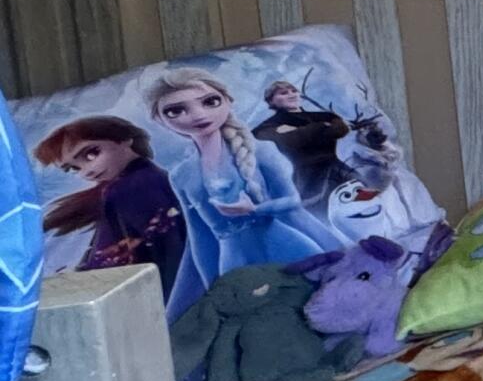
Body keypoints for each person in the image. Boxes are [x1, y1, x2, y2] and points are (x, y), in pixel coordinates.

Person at [144, 68, 342, 313]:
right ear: (160, 120)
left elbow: (292, 201)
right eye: (175, 110)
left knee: (318, 306)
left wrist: (256, 209)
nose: (198, 115)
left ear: (228, 101)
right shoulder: (182, 174)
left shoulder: (262, 150)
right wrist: (213, 290)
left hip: (286, 246)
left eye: (210, 102)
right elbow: (200, 237)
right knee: (253, 322)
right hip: (234, 260)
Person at [33, 116, 192, 304]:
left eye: (91, 154)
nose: (87, 171)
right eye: (74, 168)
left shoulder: (136, 185)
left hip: (138, 302)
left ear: (125, 139)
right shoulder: (134, 183)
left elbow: (167, 252)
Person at [253, 78, 354, 211]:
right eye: (283, 93)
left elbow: (341, 129)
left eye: (294, 91)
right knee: (319, 211)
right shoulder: (266, 126)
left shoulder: (324, 116)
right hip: (308, 178)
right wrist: (321, 127)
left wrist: (297, 131)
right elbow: (290, 141)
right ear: (271, 101)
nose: (291, 95)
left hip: (338, 168)